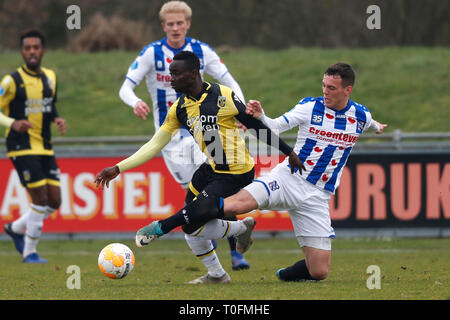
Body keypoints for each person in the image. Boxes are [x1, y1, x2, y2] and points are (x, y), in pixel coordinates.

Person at [131, 62, 387, 282]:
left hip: (317, 197)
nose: (325, 92)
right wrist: (262, 116)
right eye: (323, 85)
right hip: (287, 178)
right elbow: (276, 126)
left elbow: (370, 122)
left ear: (347, 90)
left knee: (318, 271)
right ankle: (165, 227)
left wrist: (377, 126)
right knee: (230, 205)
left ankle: (283, 276)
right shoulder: (310, 107)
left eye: (331, 88)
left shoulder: (360, 116)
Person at [96, 51, 305, 283]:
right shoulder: (179, 109)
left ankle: (159, 228)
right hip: (211, 169)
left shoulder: (223, 95)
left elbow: (257, 127)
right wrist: (118, 167)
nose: (170, 79)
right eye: (169, 74)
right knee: (191, 227)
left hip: (237, 173)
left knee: (193, 217)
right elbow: (155, 144)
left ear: (193, 74)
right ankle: (220, 267)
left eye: (175, 74)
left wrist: (290, 152)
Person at [118, 0, 250, 270]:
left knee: (216, 189)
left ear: (187, 24)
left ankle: (236, 253)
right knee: (198, 202)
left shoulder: (201, 50)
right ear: (163, 25)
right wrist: (135, 102)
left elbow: (230, 82)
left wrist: (240, 112)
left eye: (180, 23)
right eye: (170, 24)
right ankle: (228, 246)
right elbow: (125, 88)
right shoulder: (150, 53)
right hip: (173, 138)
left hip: (207, 131)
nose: (175, 28)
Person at [0, 28, 66, 263]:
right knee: (39, 199)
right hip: (21, 147)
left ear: (43, 50)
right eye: (27, 48)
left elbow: (50, 105)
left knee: (55, 201)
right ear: (22, 51)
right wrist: (12, 122)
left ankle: (15, 228)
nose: (32, 52)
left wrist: (57, 118)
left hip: (45, 147)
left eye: (35, 48)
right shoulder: (11, 81)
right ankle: (30, 252)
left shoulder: (50, 77)